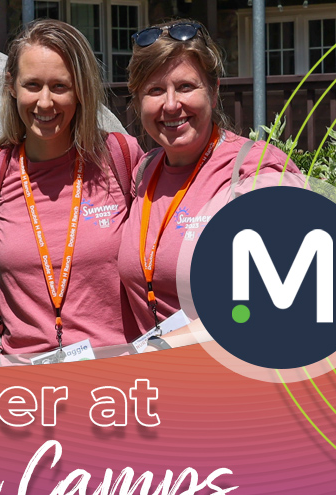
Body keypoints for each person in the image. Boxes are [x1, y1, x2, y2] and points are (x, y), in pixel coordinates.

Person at [0, 19, 143, 361]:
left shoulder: (121, 157)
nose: (45, 103)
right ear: (12, 86)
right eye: (32, 85)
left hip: (116, 383)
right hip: (26, 394)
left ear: (81, 90)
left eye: (60, 86)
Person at [118, 20, 300, 342]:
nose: (171, 104)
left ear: (213, 92)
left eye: (186, 87)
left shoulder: (255, 170)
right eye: (155, 90)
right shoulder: (145, 171)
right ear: (137, 102)